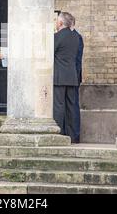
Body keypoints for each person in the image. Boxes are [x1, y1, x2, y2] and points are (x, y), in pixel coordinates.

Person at [53, 12, 80, 144]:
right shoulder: (76, 37)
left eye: (57, 21)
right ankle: (73, 136)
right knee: (71, 107)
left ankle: (58, 134)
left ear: (61, 23)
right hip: (72, 76)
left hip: (59, 77)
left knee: (58, 106)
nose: (56, 23)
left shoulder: (57, 37)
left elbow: (50, 54)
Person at [70, 14, 84, 144]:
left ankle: (75, 134)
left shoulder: (76, 37)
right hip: (72, 75)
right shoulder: (76, 37)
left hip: (72, 76)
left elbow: (76, 60)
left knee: (73, 105)